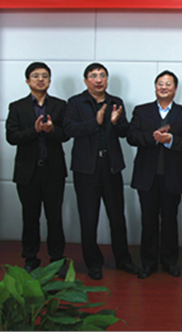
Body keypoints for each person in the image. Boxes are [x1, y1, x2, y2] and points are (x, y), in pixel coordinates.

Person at [64, 62, 139, 280]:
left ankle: (123, 260)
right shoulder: (75, 102)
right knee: (89, 218)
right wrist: (94, 122)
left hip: (111, 166)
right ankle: (93, 263)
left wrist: (115, 122)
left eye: (102, 75)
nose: (98, 79)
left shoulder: (116, 102)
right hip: (86, 169)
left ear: (107, 79)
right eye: (94, 75)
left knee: (117, 217)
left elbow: (125, 132)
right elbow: (69, 129)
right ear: (86, 80)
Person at [127, 71, 182, 279]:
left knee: (170, 220)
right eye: (160, 83)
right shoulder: (141, 111)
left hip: (172, 176)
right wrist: (154, 138)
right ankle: (148, 263)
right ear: (155, 87)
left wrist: (170, 140)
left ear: (175, 89)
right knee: (148, 220)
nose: (164, 87)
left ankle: (169, 262)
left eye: (168, 84)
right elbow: (131, 136)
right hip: (146, 176)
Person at [6, 62, 69, 278]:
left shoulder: (60, 105)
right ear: (27, 81)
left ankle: (57, 259)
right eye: (35, 76)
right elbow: (11, 137)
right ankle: (31, 259)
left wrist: (51, 130)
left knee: (55, 217)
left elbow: (66, 134)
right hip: (27, 172)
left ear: (49, 81)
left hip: (53, 171)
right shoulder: (17, 107)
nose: (40, 79)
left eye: (44, 76)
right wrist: (33, 131)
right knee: (30, 217)